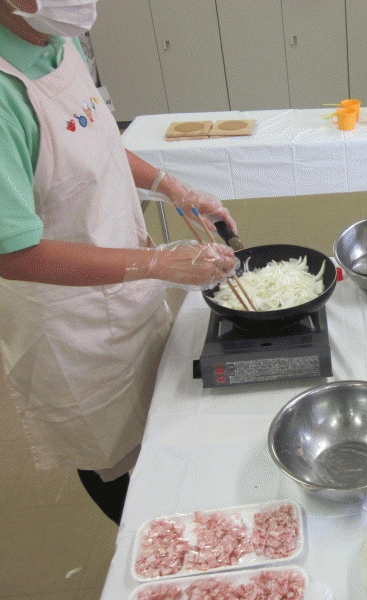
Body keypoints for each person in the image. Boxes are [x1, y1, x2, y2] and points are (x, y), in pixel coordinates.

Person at [0, 0, 238, 524]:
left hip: (125, 276)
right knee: (104, 447)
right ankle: (144, 534)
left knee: (154, 408)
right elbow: (11, 252)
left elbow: (93, 139)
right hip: (66, 319)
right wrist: (156, 264)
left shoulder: (58, 41)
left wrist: (170, 187)